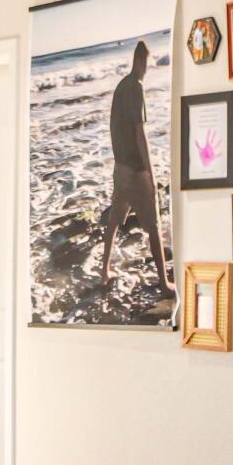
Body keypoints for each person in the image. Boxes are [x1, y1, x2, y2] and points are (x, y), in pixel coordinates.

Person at [96, 41, 169, 290]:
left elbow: (114, 127)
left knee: (114, 221)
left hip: (120, 168)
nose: (147, 69)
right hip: (136, 172)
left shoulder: (120, 86)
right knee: (154, 228)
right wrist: (150, 171)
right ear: (142, 60)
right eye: (147, 63)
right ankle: (163, 282)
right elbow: (140, 133)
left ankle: (104, 271)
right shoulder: (136, 87)